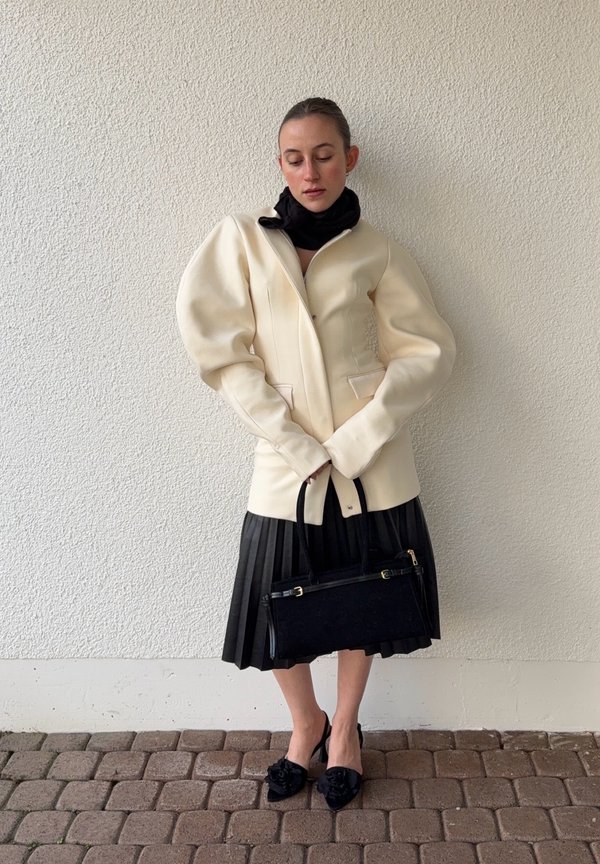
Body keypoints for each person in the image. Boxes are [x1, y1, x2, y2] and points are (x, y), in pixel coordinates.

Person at [176, 98, 456, 810]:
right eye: (295, 157)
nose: (311, 171)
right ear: (280, 164)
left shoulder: (378, 250)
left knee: (366, 598)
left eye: (325, 154)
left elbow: (426, 352)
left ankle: (346, 733)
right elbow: (223, 356)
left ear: (350, 158)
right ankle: (306, 723)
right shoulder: (240, 241)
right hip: (284, 462)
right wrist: (297, 443)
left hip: (372, 464)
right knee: (278, 600)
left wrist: (357, 439)